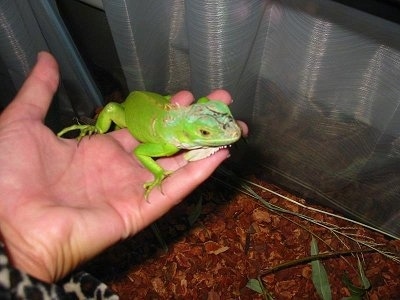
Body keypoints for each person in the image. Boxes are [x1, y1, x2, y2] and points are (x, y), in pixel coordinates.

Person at [0, 52, 247, 298]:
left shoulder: (185, 121)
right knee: (110, 109)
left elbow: (206, 102)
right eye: (204, 132)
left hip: (152, 105)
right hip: (129, 112)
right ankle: (96, 127)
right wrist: (158, 172)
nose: (232, 130)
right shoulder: (168, 145)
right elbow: (141, 152)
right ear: (187, 133)